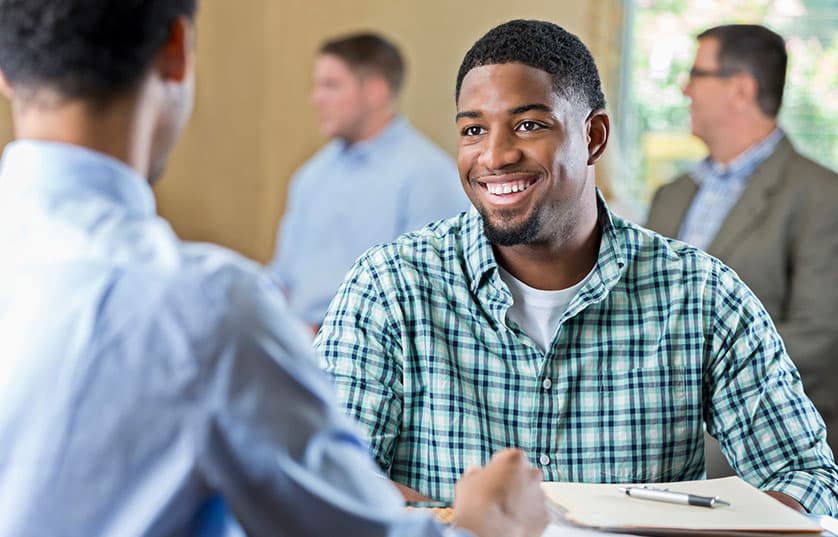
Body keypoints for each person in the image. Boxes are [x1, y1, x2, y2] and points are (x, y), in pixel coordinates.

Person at [0, 2, 550, 536]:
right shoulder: (206, 310)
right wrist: (487, 525)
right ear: (177, 52)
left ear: (6, 71)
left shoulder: (421, 180)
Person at [317, 19, 838, 515]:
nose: (494, 155)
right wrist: (463, 519)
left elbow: (807, 481)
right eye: (473, 130)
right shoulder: (387, 288)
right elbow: (323, 481)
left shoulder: (702, 294)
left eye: (528, 125)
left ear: (594, 137)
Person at [646, 24, 838, 459]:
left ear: (741, 89)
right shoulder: (670, 196)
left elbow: (820, 337)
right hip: (648, 419)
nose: (684, 88)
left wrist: (691, 379)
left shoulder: (823, 197)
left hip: (753, 430)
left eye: (697, 74)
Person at [268, 32, 469, 332]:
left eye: (331, 86)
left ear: (376, 91)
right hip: (294, 348)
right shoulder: (311, 176)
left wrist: (325, 337)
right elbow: (281, 279)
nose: (316, 98)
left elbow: (426, 301)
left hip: (366, 358)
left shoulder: (428, 177)